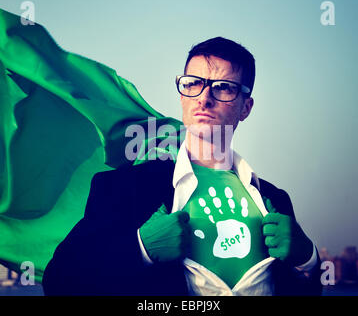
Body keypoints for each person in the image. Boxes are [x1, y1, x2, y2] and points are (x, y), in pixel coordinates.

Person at [42, 37, 322, 296]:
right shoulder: (123, 188)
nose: (204, 98)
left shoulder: (275, 199)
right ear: (182, 95)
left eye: (223, 87)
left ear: (245, 107)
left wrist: (308, 259)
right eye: (193, 83)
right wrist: (140, 249)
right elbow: (59, 282)